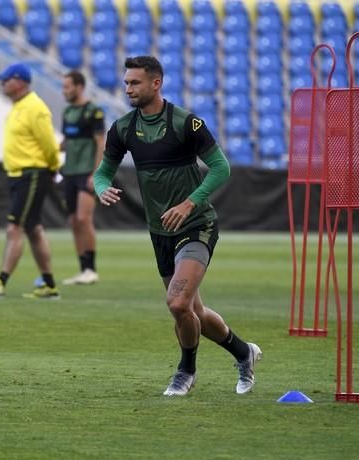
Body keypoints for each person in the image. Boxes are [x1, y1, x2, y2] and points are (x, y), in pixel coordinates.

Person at [93, 56, 262, 396]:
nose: (128, 89)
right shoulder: (123, 128)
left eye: (135, 83)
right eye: (126, 83)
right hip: (160, 232)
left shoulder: (186, 123)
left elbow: (220, 168)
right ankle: (244, 352)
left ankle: (186, 371)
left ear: (156, 83)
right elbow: (102, 173)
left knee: (177, 303)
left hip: (197, 224)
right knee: (193, 310)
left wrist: (189, 203)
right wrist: (101, 189)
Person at [0, 62, 61, 300]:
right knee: (33, 229)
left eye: (6, 79)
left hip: (32, 173)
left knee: (14, 227)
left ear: (20, 82)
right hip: (19, 175)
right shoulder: (18, 107)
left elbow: (49, 143)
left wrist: (53, 168)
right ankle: (49, 284)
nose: (2, 83)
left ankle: (0, 281)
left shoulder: (35, 108)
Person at [60, 70, 106, 285]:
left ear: (79, 87)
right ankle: (83, 269)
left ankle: (91, 269)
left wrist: (96, 173)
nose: (64, 90)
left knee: (83, 218)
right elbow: (66, 142)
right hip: (69, 172)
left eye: (67, 86)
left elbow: (100, 143)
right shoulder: (68, 112)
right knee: (73, 221)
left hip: (87, 172)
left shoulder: (93, 111)